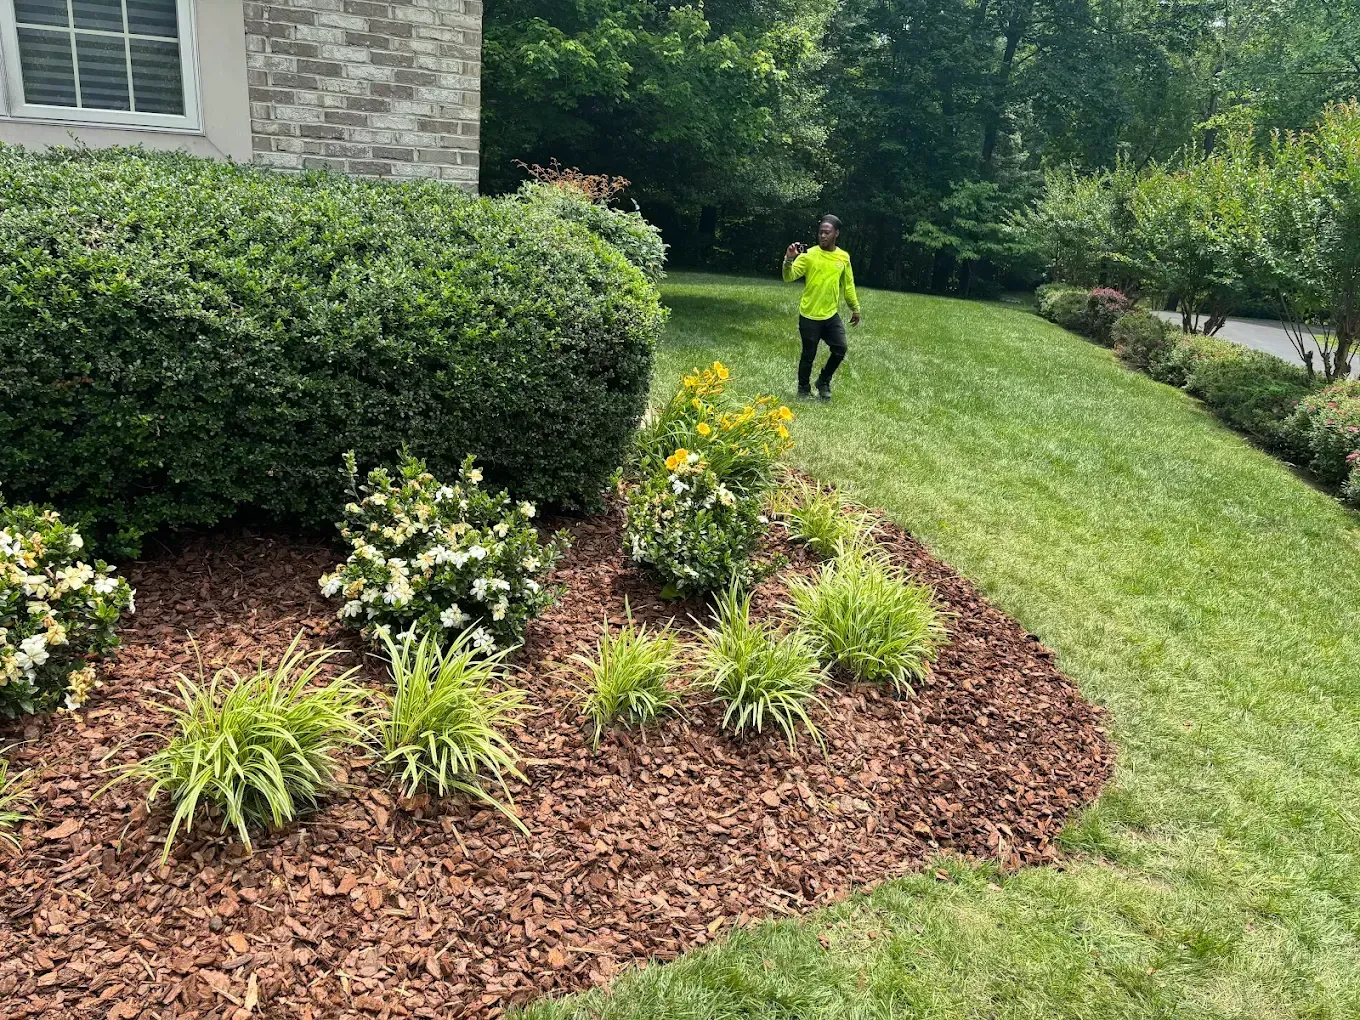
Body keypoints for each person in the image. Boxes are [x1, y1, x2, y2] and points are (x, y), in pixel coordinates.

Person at [782, 214, 861, 400]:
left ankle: (823, 381)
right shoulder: (809, 255)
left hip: (830, 316)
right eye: (820, 233)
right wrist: (788, 259)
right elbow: (789, 276)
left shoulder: (843, 257)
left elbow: (848, 285)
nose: (823, 236)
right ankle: (803, 389)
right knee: (808, 355)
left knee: (840, 348)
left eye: (827, 232)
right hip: (809, 315)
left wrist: (854, 308)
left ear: (836, 234)